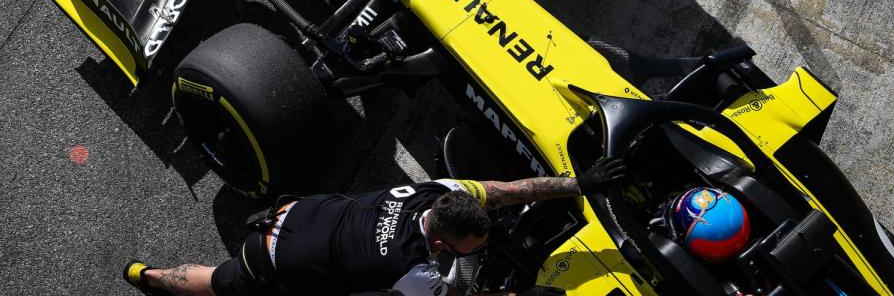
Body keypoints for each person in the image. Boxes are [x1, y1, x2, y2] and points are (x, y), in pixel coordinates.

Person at [122, 157, 627, 296]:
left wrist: (578, 182)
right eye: (463, 251)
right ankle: (143, 275)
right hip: (275, 257)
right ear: (436, 242)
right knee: (219, 281)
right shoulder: (414, 274)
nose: (471, 254)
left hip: (301, 212)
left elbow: (506, 191)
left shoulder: (439, 191)